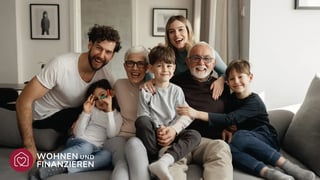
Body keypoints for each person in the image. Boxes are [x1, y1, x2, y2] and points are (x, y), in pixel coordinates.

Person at [177, 59, 316, 180]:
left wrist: (196, 113)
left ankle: (290, 167)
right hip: (242, 143)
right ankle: (267, 173)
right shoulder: (231, 99)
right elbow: (227, 120)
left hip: (265, 139)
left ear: (250, 77)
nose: (236, 81)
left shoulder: (254, 101)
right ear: (227, 82)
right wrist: (226, 128)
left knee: (240, 136)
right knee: (227, 149)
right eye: (231, 79)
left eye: (240, 77)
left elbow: (230, 118)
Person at [16, 24, 121, 165]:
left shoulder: (106, 78)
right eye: (99, 48)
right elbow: (23, 101)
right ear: (90, 44)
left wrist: (150, 84)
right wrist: (29, 147)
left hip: (66, 120)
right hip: (42, 117)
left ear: (112, 55)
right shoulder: (61, 64)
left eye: (108, 52)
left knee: (98, 104)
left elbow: (121, 98)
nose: (101, 56)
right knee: (87, 107)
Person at [29, 79, 122, 180]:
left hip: (95, 150)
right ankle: (44, 165)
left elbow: (111, 135)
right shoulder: (93, 110)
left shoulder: (117, 116)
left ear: (111, 93)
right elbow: (78, 134)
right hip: (78, 142)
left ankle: (63, 168)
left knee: (107, 156)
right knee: (86, 147)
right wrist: (86, 113)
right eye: (95, 98)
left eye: (103, 95)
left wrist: (109, 111)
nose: (99, 100)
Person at [135, 45, 201, 180]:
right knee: (142, 121)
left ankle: (164, 161)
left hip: (172, 133)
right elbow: (143, 115)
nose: (165, 69)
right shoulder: (146, 90)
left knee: (195, 135)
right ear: (151, 68)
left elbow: (184, 115)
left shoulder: (177, 91)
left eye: (169, 65)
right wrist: (159, 128)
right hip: (154, 135)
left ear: (174, 68)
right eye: (159, 66)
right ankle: (153, 160)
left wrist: (172, 129)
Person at [169, 41, 233, 180]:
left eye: (207, 59)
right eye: (196, 58)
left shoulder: (223, 87)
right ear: (187, 61)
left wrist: (230, 128)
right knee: (167, 160)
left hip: (209, 142)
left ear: (214, 63)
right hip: (180, 140)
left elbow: (231, 114)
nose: (201, 63)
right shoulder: (174, 82)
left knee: (221, 149)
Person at [104, 46, 150, 180]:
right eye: (130, 63)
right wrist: (82, 113)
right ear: (125, 66)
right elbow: (101, 97)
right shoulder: (118, 85)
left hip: (140, 140)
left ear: (147, 67)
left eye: (140, 64)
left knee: (134, 147)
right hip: (118, 137)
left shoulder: (152, 87)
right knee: (122, 163)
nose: (135, 68)